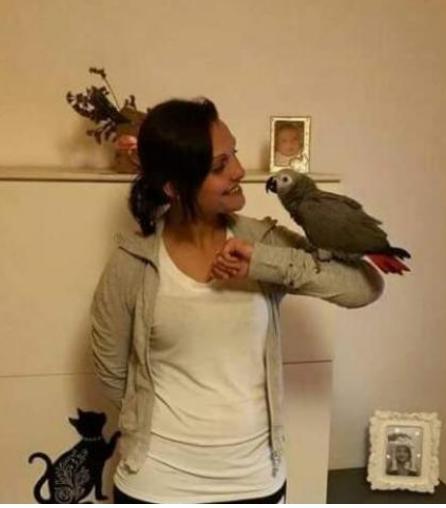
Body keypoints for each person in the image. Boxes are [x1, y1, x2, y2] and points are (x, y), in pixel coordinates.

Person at [90, 97, 384, 504]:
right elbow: (111, 371)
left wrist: (263, 264)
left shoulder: (261, 241)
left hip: (255, 483)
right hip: (154, 485)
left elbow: (365, 287)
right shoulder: (132, 262)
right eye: (219, 166)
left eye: (235, 155)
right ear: (173, 187)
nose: (240, 171)